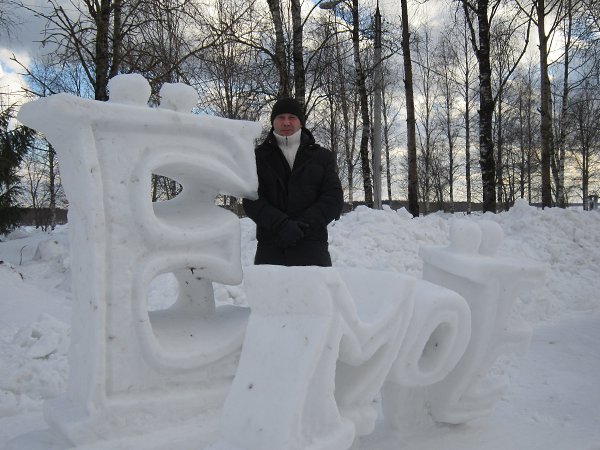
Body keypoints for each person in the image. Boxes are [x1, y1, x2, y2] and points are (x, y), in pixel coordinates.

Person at [243, 97, 343, 267]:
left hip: (313, 250)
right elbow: (252, 200)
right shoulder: (257, 158)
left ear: (300, 122)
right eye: (281, 117)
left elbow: (333, 199)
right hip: (271, 249)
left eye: (292, 117)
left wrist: (302, 227)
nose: (286, 122)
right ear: (273, 121)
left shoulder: (322, 157)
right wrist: (281, 225)